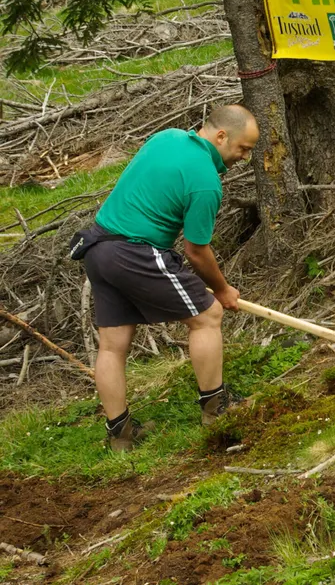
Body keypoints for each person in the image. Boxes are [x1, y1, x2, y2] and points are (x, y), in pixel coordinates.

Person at [72, 105, 259, 452]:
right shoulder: (205, 181)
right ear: (221, 136)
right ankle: (217, 410)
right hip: (135, 252)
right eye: (242, 149)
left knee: (113, 344)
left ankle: (121, 435)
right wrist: (222, 289)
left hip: (97, 248)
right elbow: (196, 251)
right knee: (208, 317)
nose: (244, 158)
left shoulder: (167, 137)